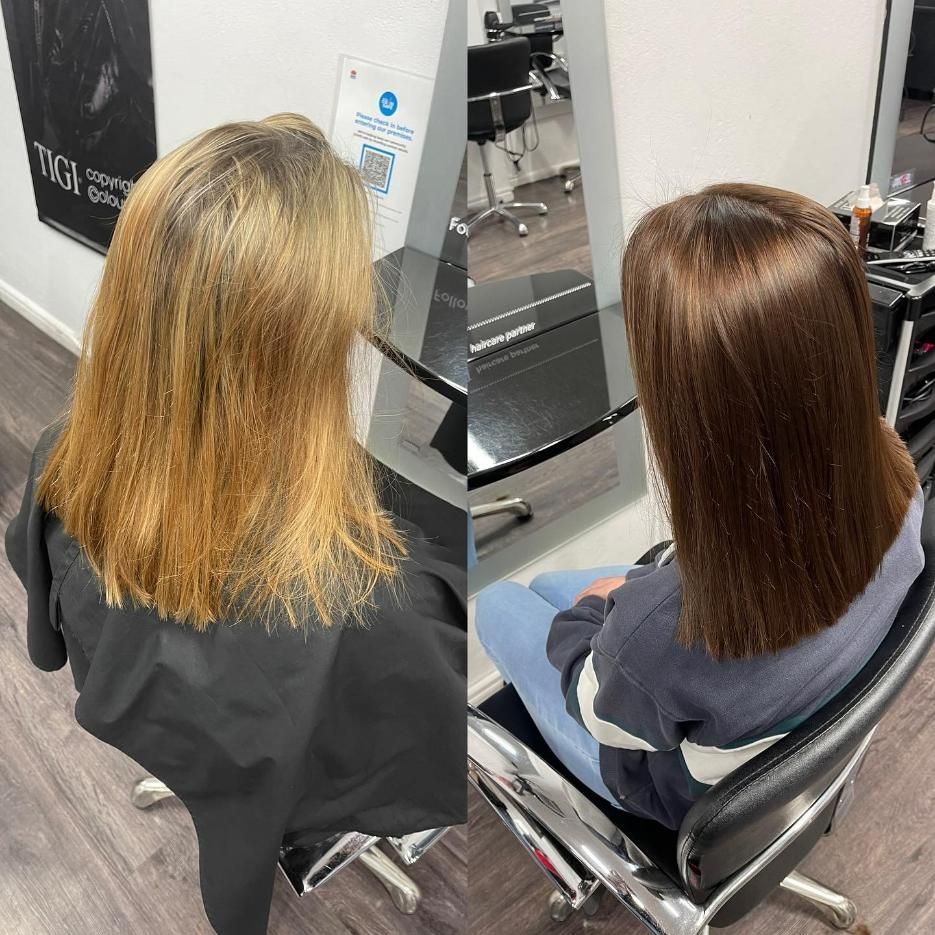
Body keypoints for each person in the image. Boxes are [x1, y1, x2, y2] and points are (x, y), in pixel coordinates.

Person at [5, 114, 466, 935]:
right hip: (283, 776)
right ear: (319, 334)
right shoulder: (389, 601)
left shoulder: (63, 456)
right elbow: (422, 754)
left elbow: (43, 607)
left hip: (156, 723)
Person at [475, 183, 923, 830]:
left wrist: (595, 622)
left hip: (677, 788)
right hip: (795, 703)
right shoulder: (896, 473)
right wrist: (620, 609)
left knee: (499, 602)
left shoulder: (661, 635)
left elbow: (601, 713)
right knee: (553, 586)